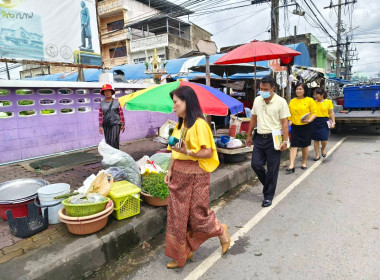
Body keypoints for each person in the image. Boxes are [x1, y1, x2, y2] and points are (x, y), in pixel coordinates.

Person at [164, 86, 230, 269]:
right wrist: (170, 170)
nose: (173, 106)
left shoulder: (200, 124)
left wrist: (189, 151)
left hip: (196, 176)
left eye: (176, 102)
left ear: (187, 102)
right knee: (178, 217)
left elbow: (208, 152)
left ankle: (221, 230)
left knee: (197, 216)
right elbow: (174, 152)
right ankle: (181, 255)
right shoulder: (180, 124)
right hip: (178, 175)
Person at [246, 75, 290, 207]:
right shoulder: (257, 100)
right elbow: (253, 118)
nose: (262, 91)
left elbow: (284, 123)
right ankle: (269, 185)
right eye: (260, 88)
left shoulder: (281, 102)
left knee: (272, 168)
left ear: (273, 88)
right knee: (256, 165)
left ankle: (268, 196)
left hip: (274, 139)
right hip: (259, 137)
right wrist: (248, 135)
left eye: (265, 89)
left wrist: (285, 141)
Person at [287, 83, 317, 172]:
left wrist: (309, 120)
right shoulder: (292, 101)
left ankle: (303, 162)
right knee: (294, 145)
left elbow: (314, 113)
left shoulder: (310, 100)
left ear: (305, 90)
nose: (298, 91)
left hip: (306, 126)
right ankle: (291, 164)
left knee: (304, 146)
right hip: (295, 126)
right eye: (297, 89)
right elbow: (289, 113)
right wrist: (290, 121)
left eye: (300, 89)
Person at [311, 87, 335, 160]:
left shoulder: (328, 102)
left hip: (325, 121)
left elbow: (331, 113)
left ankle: (323, 149)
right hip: (315, 121)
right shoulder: (313, 102)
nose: (315, 96)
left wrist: (333, 122)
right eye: (314, 94)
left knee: (324, 138)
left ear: (321, 94)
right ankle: (317, 155)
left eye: (316, 94)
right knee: (316, 139)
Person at [98, 84, 125, 149]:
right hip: (106, 124)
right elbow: (100, 115)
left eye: (108, 91)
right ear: (103, 93)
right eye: (105, 91)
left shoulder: (117, 102)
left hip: (116, 123)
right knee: (108, 141)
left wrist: (122, 124)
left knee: (114, 140)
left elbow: (121, 113)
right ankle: (110, 157)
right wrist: (100, 126)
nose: (107, 93)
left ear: (111, 92)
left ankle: (116, 156)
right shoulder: (101, 103)